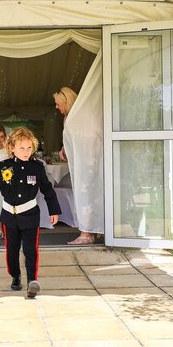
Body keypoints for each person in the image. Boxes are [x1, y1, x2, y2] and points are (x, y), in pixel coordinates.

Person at [0, 127, 61, 299]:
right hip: (9, 217)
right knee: (12, 251)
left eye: (29, 147)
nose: (26, 151)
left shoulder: (37, 167)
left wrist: (54, 210)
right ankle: (15, 276)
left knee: (31, 250)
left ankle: (32, 281)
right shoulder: (4, 166)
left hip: (30, 215)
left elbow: (47, 189)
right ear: (12, 147)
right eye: (22, 148)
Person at [53, 86, 96, 245]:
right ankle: (88, 231)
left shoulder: (80, 116)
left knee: (85, 194)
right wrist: (65, 149)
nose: (56, 107)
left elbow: (88, 138)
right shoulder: (69, 117)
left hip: (87, 163)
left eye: (58, 103)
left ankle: (86, 234)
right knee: (82, 194)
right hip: (79, 163)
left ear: (67, 102)